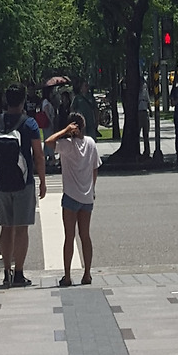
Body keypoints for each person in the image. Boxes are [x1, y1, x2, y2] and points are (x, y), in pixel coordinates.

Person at [0, 81, 46, 288]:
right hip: (23, 182)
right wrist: (43, 181)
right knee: (21, 228)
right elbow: (38, 155)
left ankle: (6, 272)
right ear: (23, 101)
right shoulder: (29, 124)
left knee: (6, 226)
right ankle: (19, 272)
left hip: (1, 183)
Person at [47, 111, 101, 284]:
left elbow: (48, 142)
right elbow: (95, 168)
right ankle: (87, 273)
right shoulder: (91, 143)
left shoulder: (66, 145)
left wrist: (64, 131)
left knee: (69, 236)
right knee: (85, 235)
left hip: (70, 196)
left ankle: (68, 276)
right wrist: (92, 188)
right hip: (87, 196)